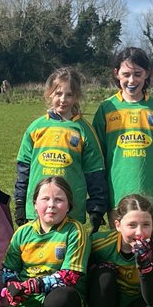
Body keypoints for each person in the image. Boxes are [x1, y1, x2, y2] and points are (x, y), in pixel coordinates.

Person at [0, 176, 88, 307]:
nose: (51, 205)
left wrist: (30, 285)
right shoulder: (23, 232)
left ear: (69, 205)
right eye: (45, 199)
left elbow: (70, 277)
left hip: (61, 297)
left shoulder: (75, 231)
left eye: (59, 200)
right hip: (28, 300)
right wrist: (12, 285)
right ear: (35, 204)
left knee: (62, 298)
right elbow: (9, 268)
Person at [14, 67, 107, 230]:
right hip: (37, 211)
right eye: (58, 93)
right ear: (49, 93)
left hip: (71, 213)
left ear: (76, 97)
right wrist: (20, 204)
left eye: (69, 94)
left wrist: (96, 208)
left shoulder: (84, 130)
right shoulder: (36, 128)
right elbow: (23, 170)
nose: (63, 99)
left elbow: (95, 173)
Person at [92, 46, 153, 212]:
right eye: (126, 75)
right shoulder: (107, 108)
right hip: (116, 193)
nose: (132, 80)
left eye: (137, 74)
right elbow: (96, 156)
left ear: (147, 73)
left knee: (143, 237)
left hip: (149, 192)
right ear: (116, 73)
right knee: (119, 238)